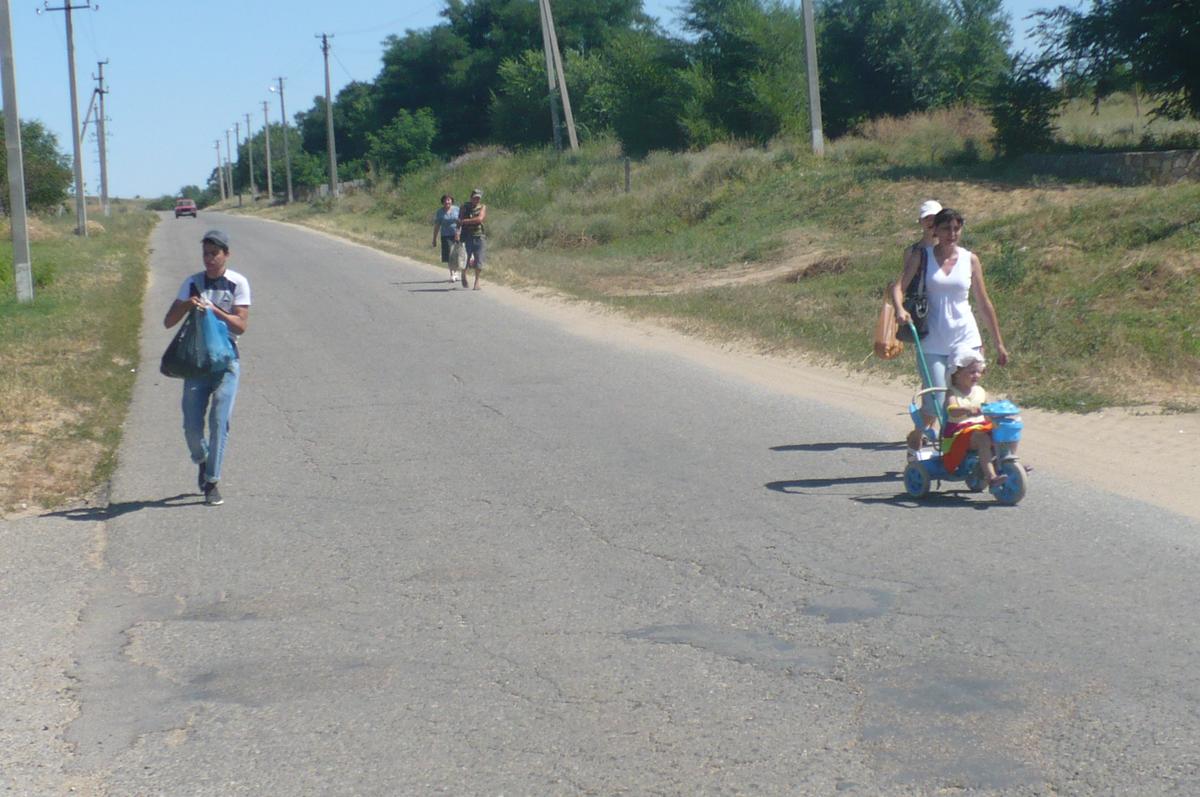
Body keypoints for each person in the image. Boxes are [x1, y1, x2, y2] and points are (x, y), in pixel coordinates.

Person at [893, 206, 1008, 453]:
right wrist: (900, 310)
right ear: (935, 229)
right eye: (946, 228)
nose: (952, 234)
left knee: (966, 396)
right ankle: (917, 435)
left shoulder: (970, 259)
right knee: (936, 402)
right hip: (933, 339)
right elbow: (898, 287)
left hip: (965, 336)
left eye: (957, 229)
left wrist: (998, 342)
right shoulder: (922, 256)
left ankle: (967, 450)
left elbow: (983, 302)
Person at [162, 229, 251, 506]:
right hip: (197, 363)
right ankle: (201, 459)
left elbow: (241, 326)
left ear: (226, 255)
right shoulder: (192, 283)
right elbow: (168, 321)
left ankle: (212, 481)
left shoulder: (237, 283)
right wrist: (188, 304)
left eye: (215, 254)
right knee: (191, 425)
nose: (209, 259)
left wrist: (214, 310)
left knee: (218, 421)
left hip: (226, 362)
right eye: (206, 254)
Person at [893, 200, 942, 450]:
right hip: (922, 317)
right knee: (930, 375)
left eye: (935, 217)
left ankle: (929, 427)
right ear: (921, 222)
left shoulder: (950, 249)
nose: (931, 222)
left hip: (945, 320)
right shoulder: (914, 251)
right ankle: (926, 428)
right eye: (927, 218)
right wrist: (899, 310)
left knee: (943, 376)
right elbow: (902, 285)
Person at [941, 348, 1006, 487]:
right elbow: (952, 411)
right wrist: (967, 409)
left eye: (978, 371)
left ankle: (1009, 464)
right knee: (982, 438)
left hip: (979, 427)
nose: (976, 375)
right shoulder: (952, 392)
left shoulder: (981, 391)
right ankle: (991, 477)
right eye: (971, 372)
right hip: (958, 433)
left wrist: (996, 411)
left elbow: (988, 411)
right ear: (956, 374)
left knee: (1002, 431)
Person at [456, 188, 487, 290]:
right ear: (471, 198)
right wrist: (457, 232)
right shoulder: (464, 207)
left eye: (478, 198)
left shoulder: (482, 207)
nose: (476, 200)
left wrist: (465, 221)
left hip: (479, 236)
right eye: (475, 198)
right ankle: (463, 274)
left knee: (479, 259)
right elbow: (459, 220)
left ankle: (477, 281)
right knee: (465, 258)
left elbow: (480, 219)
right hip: (466, 236)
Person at [432, 194, 460, 284]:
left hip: (456, 235)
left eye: (449, 200)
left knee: (455, 254)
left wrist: (458, 232)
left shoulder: (457, 209)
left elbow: (461, 222)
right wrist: (434, 239)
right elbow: (437, 226)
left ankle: (456, 272)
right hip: (445, 235)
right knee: (449, 255)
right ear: (443, 202)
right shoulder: (440, 212)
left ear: (452, 201)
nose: (447, 202)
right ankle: (452, 273)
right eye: (445, 200)